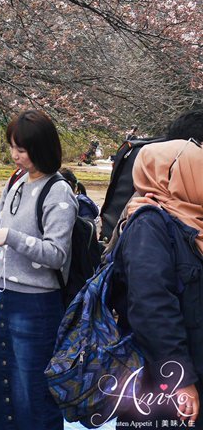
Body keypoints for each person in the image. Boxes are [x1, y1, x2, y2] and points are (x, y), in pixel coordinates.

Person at [0, 109, 77, 430]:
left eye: (21, 149)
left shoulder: (58, 192)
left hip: (37, 305)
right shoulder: (16, 180)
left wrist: (11, 237)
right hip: (5, 297)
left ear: (42, 148)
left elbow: (56, 253)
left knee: (32, 390)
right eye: (12, 147)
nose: (15, 156)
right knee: (0, 381)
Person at [111, 138, 203, 428]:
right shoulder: (148, 225)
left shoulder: (189, 220)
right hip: (162, 386)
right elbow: (152, 309)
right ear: (172, 175)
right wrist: (180, 379)